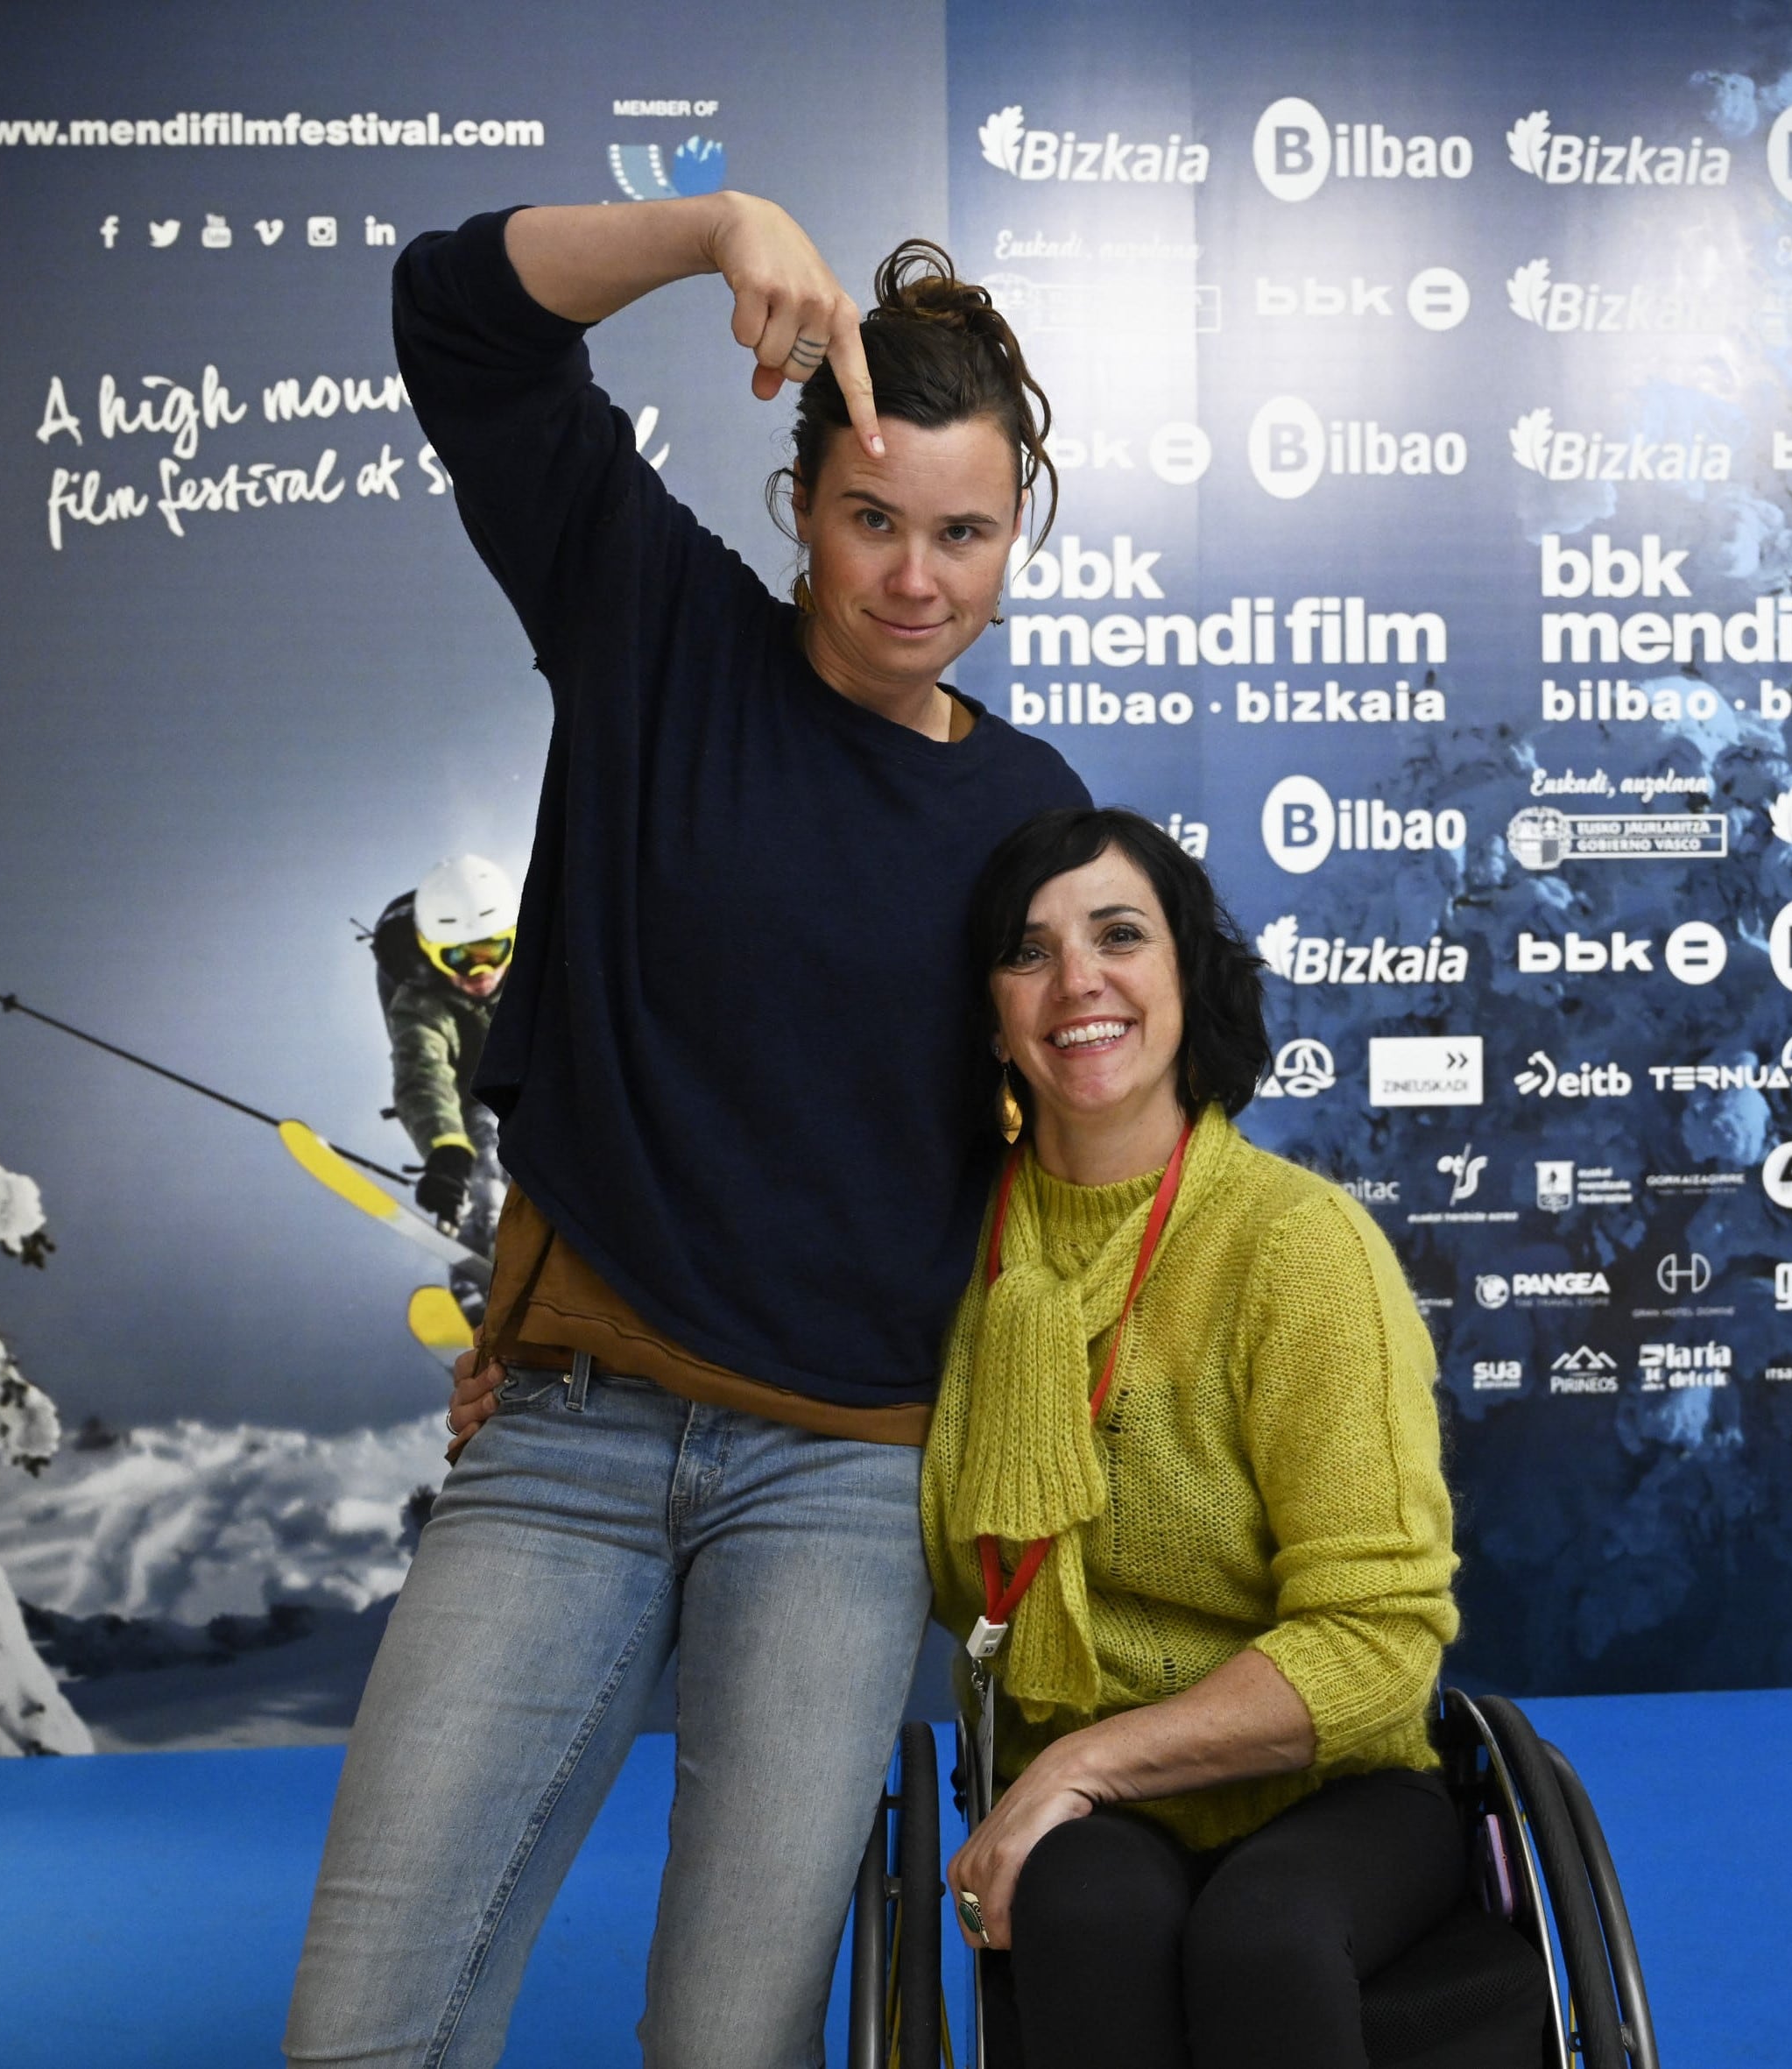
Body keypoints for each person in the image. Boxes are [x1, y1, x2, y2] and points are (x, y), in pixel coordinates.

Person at [285, 188, 1087, 2069]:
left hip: (844, 1478)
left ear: (1014, 535)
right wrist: (715, 223)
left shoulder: (1039, 822)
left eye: (962, 532)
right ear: (799, 510)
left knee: (727, 2046)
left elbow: (1092, 1186)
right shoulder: (653, 625)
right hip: (566, 1430)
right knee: (361, 2034)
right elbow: (456, 316)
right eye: (870, 518)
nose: (914, 575)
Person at [928, 806, 1463, 2069]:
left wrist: (1089, 1763)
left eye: (1119, 933)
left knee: (1260, 1941)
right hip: (1091, 1804)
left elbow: (1376, 1639)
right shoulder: (937, 1248)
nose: (1077, 981)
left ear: (1186, 973)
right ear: (990, 1011)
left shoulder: (1294, 1245)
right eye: (1027, 949)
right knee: (1081, 1907)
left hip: (1335, 1784)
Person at [374, 852, 518, 1312]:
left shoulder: (548, 967)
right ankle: (486, 1266)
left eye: (491, 952)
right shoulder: (422, 1001)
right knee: (486, 1153)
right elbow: (423, 1072)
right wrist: (445, 1149)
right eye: (458, 957)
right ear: (432, 952)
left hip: (550, 1090)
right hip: (478, 1100)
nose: (478, 973)